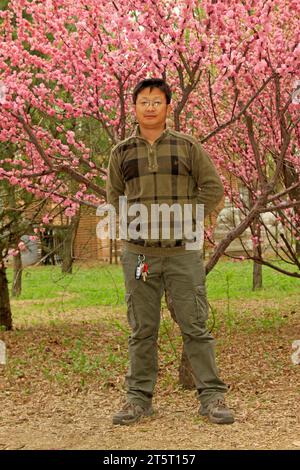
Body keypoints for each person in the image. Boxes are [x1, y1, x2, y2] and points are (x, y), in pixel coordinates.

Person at [106, 78, 234, 425]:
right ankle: (138, 400)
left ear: (167, 106)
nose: (150, 107)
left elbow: (213, 188)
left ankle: (211, 397)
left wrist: (185, 220)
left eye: (157, 101)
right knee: (142, 328)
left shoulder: (188, 146)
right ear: (134, 107)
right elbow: (114, 198)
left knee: (195, 325)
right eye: (144, 101)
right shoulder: (121, 152)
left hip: (183, 254)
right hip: (140, 257)